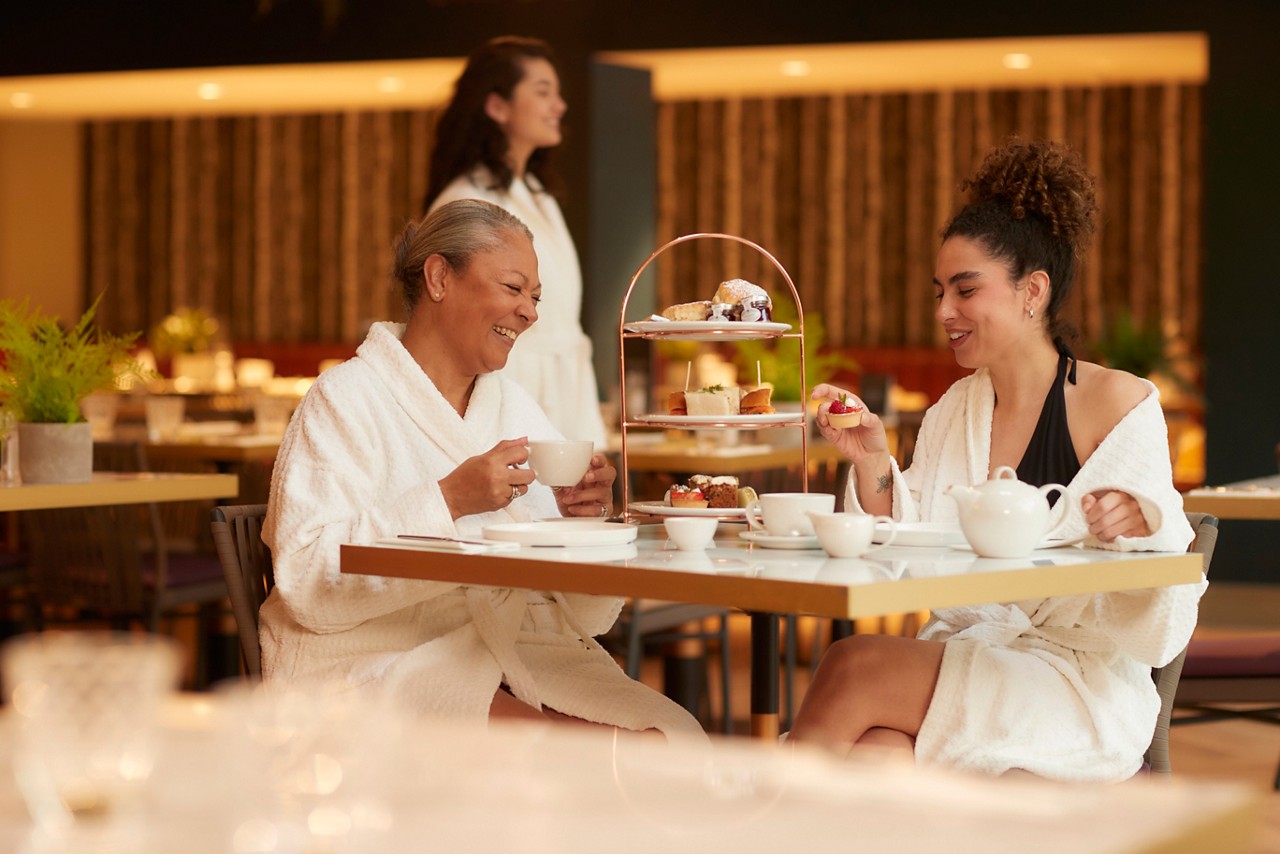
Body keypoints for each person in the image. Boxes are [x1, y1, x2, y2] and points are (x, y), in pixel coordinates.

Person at [790, 139, 1206, 782]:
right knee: (876, 760)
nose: (943, 312)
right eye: (940, 292)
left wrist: (1138, 525)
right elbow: (906, 543)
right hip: (974, 655)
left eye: (965, 289)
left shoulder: (1116, 402)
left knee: (853, 664)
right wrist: (873, 457)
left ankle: (748, 821)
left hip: (1078, 682)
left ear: (1031, 291)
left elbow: (1168, 563)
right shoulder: (955, 409)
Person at [259, 199, 703, 740]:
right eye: (514, 289)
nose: (531, 313)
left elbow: (588, 618)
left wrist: (583, 521)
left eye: (535, 298)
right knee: (575, 760)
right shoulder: (345, 399)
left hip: (517, 657)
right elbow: (308, 580)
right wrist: (448, 500)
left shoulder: (514, 407)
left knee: (668, 740)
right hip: (378, 662)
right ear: (440, 277)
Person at [424, 36, 606, 448]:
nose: (559, 106)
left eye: (558, 94)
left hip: (562, 401)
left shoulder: (538, 195)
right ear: (497, 106)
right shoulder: (466, 199)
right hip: (504, 395)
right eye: (543, 92)